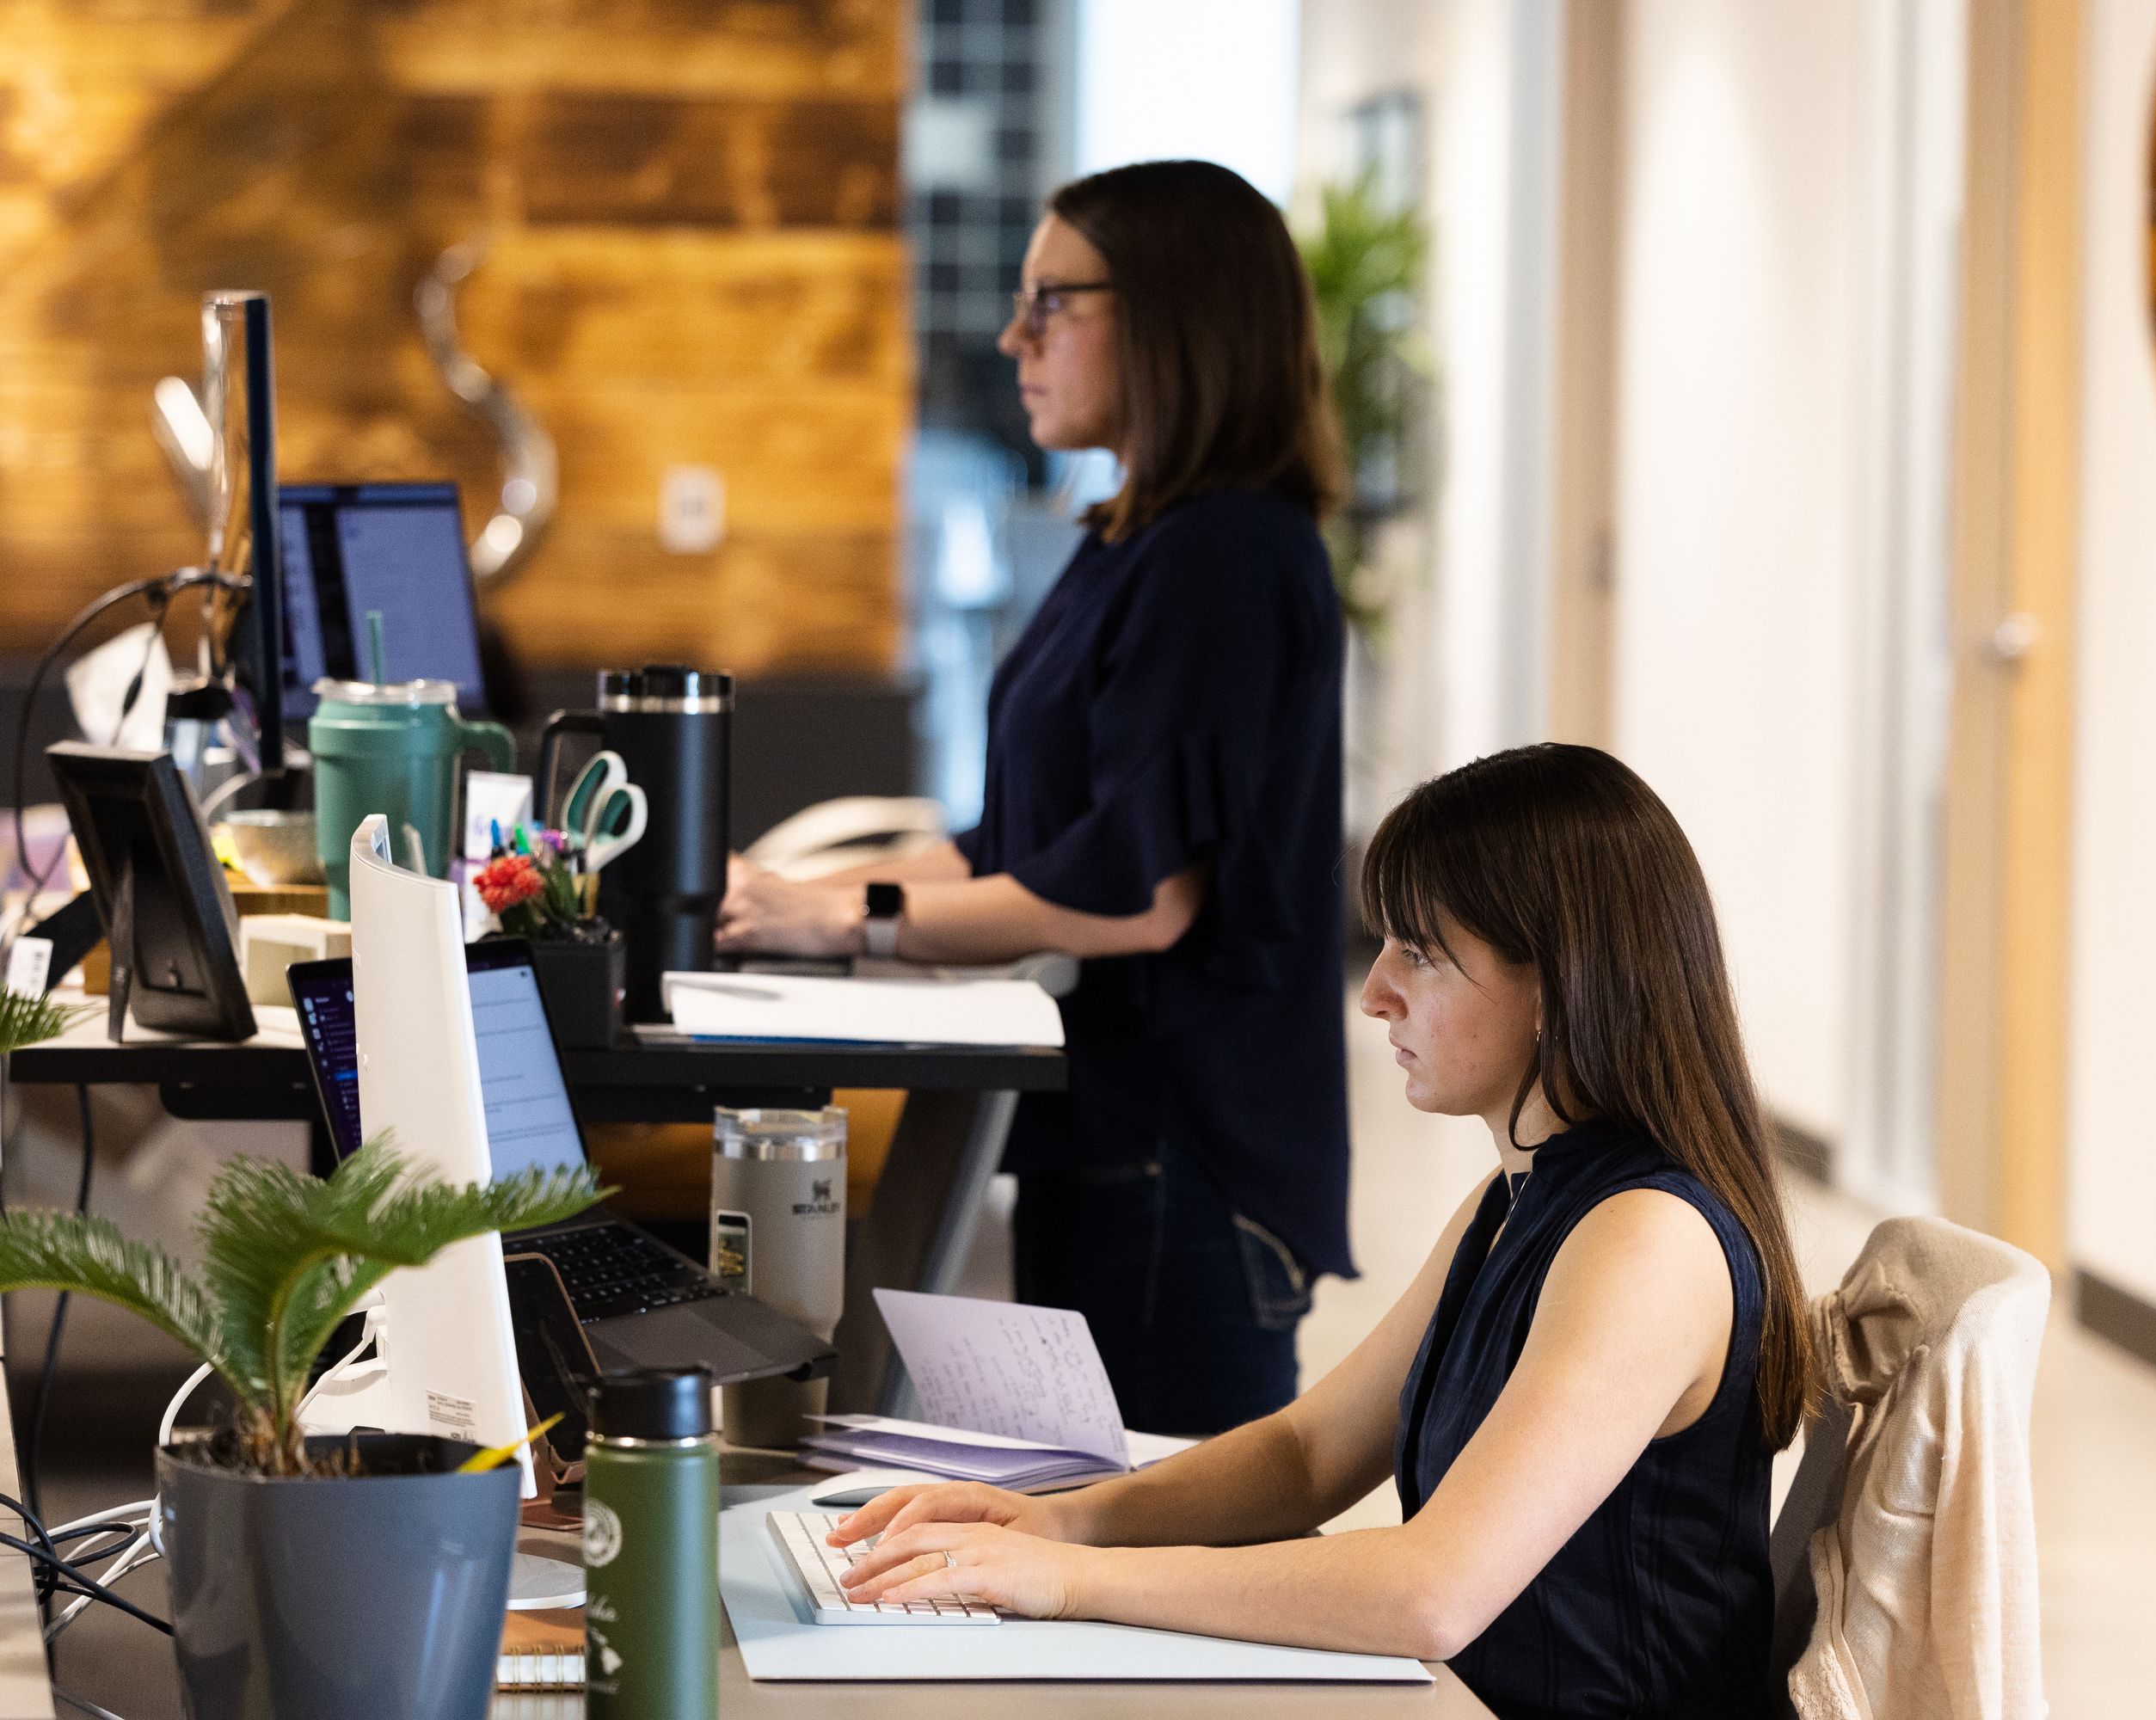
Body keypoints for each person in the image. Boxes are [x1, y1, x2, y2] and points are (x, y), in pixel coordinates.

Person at [823, 745, 1821, 1720]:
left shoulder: (1647, 1239)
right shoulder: (1519, 1196)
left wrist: (1068, 1580)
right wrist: (1065, 1519)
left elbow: (1432, 1590)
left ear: (1558, 986)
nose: (1375, 990)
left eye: (1420, 954)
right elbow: (1307, 1454)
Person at [715, 159, 1352, 1436]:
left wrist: (849, 921)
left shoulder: (1224, 555)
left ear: (1172, 315)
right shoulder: (1137, 539)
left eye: (1051, 302)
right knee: (1090, 1508)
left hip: (1183, 1158)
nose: (1016, 338)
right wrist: (792, 896)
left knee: (1163, 1531)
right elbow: (1025, 846)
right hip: (1122, 1143)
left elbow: (1135, 895)